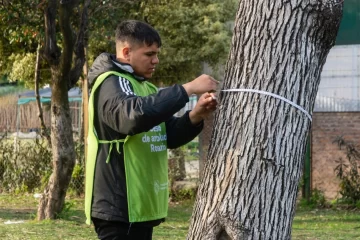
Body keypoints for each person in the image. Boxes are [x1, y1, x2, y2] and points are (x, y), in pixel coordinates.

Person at [85, 19, 218, 240]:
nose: (155, 60)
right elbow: (131, 117)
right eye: (149, 54)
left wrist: (196, 115)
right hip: (119, 205)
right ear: (126, 52)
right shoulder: (111, 82)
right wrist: (188, 89)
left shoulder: (145, 86)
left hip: (140, 205)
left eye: (157, 54)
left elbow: (167, 135)